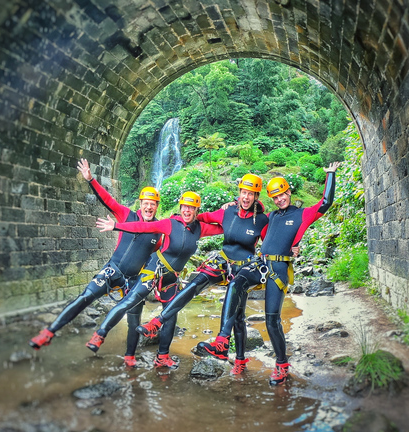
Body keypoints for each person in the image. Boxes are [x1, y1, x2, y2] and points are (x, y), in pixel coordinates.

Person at [198, 162, 342, 385]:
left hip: (278, 270)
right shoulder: (271, 216)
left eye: (282, 195)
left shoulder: (303, 214)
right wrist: (233, 204)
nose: (279, 199)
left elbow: (325, 203)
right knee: (235, 283)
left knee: (272, 320)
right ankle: (222, 341)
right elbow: (252, 215)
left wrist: (330, 175)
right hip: (259, 264)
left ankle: (282, 365)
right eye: (275, 197)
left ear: (289, 192)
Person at [28, 158, 162, 368]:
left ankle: (130, 358)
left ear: (156, 207)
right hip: (113, 269)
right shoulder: (127, 215)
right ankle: (48, 332)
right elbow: (108, 200)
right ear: (141, 203)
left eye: (152, 205)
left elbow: (156, 254)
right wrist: (91, 179)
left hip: (134, 279)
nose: (148, 207)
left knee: (134, 319)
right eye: (145, 203)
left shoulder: (159, 230)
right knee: (85, 297)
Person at [135, 174, 269, 375]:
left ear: (256, 196)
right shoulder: (228, 212)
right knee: (194, 284)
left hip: (244, 267)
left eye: (250, 194)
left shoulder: (262, 220)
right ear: (239, 192)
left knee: (238, 316)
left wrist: (291, 248)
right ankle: (157, 322)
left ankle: (239, 360)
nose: (246, 197)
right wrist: (179, 221)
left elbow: (269, 244)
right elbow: (201, 217)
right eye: (243, 192)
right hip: (222, 260)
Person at [88, 191, 223, 368]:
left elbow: (226, 226)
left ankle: (162, 357)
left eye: (191, 208)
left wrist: (228, 210)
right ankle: (100, 334)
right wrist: (116, 226)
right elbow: (141, 227)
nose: (187, 211)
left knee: (170, 315)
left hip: (171, 277)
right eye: (185, 207)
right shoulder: (170, 224)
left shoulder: (200, 228)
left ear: (197, 210)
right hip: (154, 268)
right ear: (180, 207)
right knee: (130, 301)